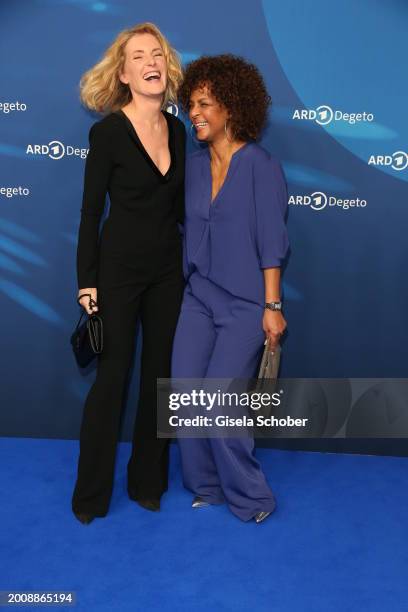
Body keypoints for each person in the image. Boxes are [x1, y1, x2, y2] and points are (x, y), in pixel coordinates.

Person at [72, 22, 186, 524]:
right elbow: (89, 213)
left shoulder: (180, 131)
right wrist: (87, 283)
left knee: (160, 380)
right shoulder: (108, 132)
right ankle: (90, 496)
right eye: (138, 56)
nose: (150, 62)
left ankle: (148, 483)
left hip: (167, 274)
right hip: (116, 274)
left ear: (167, 65)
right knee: (112, 380)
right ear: (124, 73)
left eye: (156, 53)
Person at [171, 54, 289, 523]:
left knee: (221, 404)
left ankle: (253, 498)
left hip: (245, 304)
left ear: (232, 109)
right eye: (191, 104)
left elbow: (271, 242)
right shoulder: (195, 167)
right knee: (183, 395)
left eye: (205, 104)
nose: (194, 113)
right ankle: (206, 487)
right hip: (199, 297)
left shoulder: (261, 165)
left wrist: (272, 306)